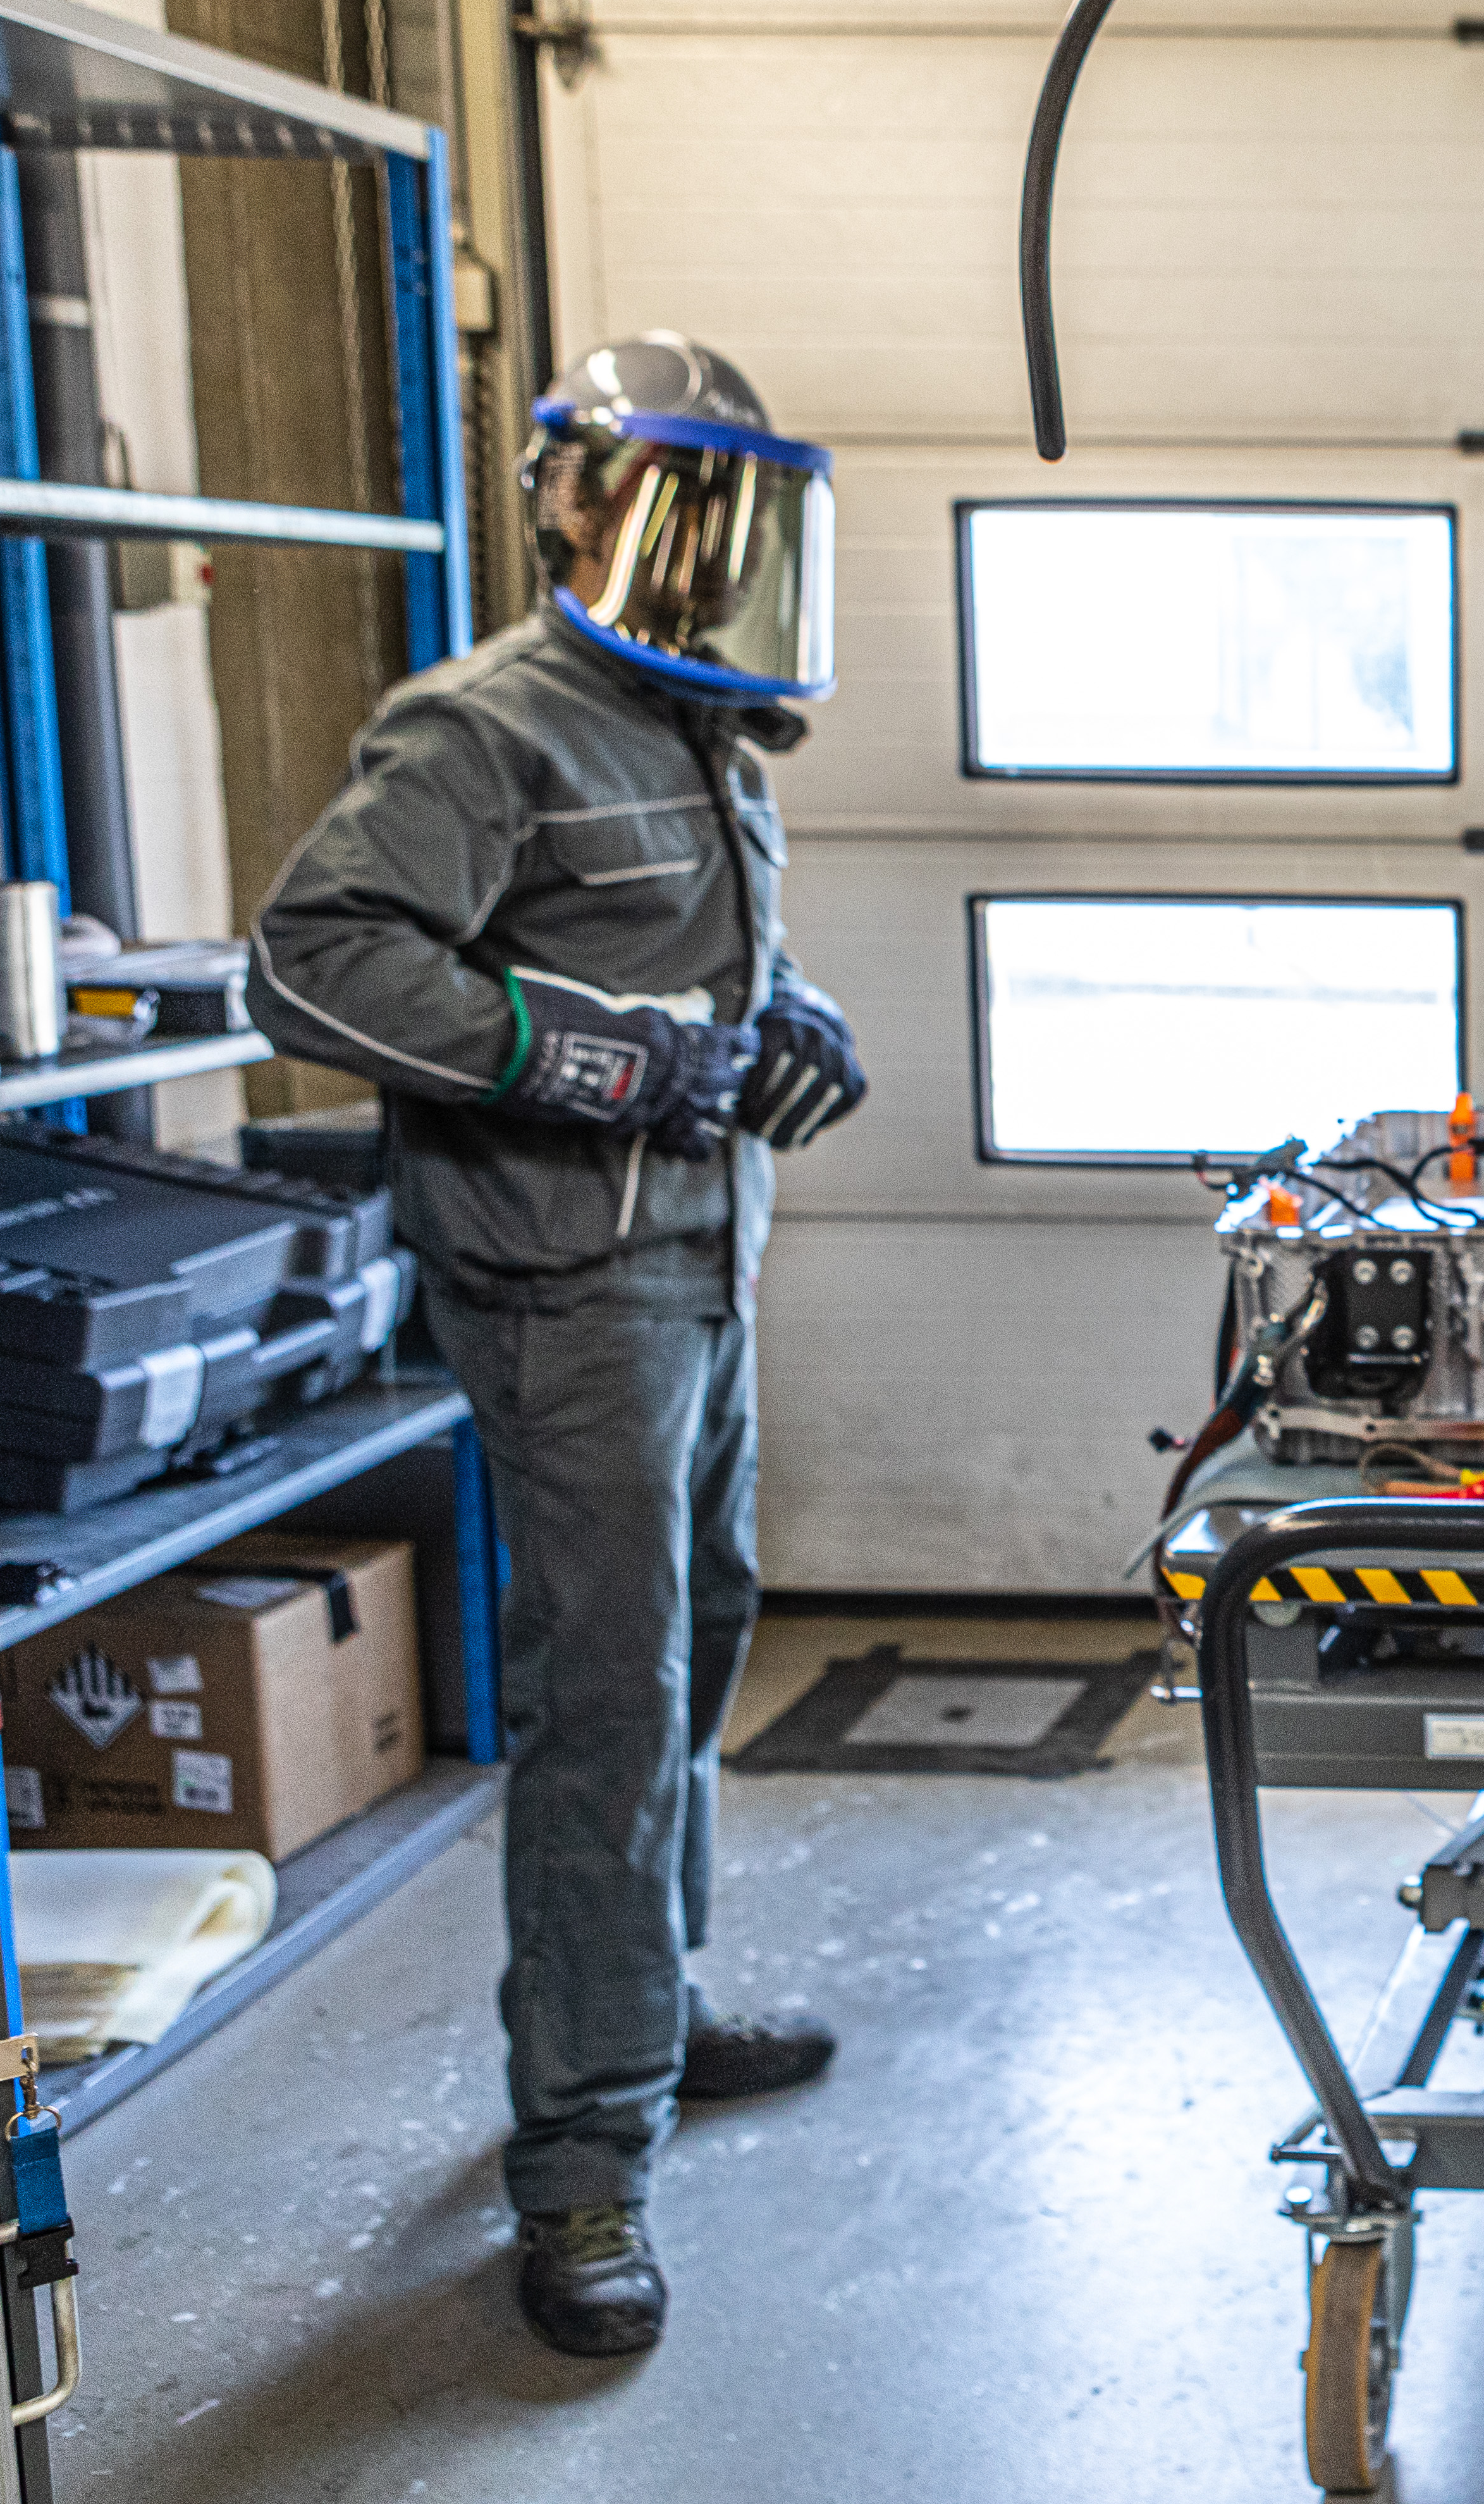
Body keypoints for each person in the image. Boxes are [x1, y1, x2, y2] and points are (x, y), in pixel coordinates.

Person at [249, 333, 871, 2357]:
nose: (703, 553)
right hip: (562, 1285)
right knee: (609, 1698)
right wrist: (598, 1059)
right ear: (572, 497)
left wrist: (793, 1025)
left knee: (695, 1630)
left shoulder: (696, 732)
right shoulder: (484, 728)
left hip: (700, 1268)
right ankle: (582, 2160)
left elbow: (684, 967)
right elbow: (319, 960)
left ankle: (651, 2008)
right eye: (666, 499)